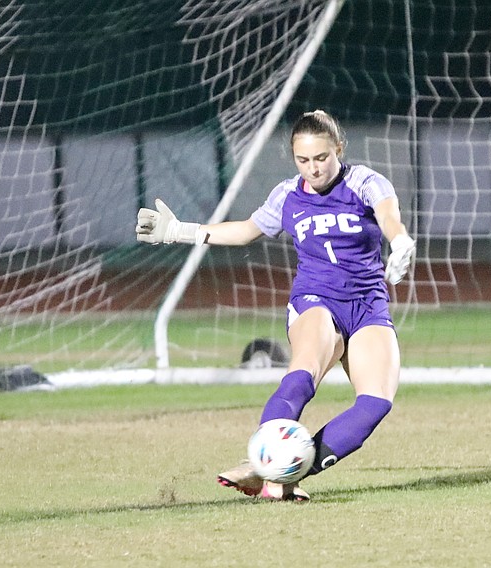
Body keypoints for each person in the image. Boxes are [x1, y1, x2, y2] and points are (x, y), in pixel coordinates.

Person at [135, 110, 415, 501]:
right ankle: (270, 472)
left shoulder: (365, 181)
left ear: (339, 149)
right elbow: (247, 230)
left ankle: (276, 473)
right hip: (317, 299)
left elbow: (388, 214)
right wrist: (180, 231)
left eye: (321, 158)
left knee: (376, 403)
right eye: (303, 160)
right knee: (305, 373)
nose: (313, 169)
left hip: (369, 303)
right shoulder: (288, 194)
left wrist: (399, 241)